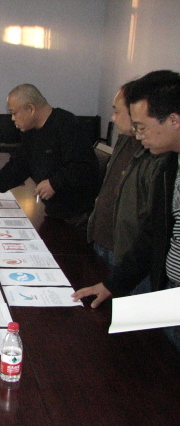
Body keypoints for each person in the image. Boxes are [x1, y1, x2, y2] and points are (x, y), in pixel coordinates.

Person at [77, 70, 180, 349]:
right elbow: (154, 232)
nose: (137, 135)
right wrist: (113, 284)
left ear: (174, 120)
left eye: (142, 127)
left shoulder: (162, 162)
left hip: (171, 296)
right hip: (169, 291)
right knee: (150, 355)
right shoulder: (171, 165)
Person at [0, 84, 100, 227]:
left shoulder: (67, 125)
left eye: (14, 113)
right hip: (53, 212)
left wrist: (54, 183)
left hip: (77, 217)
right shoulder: (31, 131)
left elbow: (85, 167)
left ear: (31, 109)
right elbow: (17, 167)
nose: (12, 118)